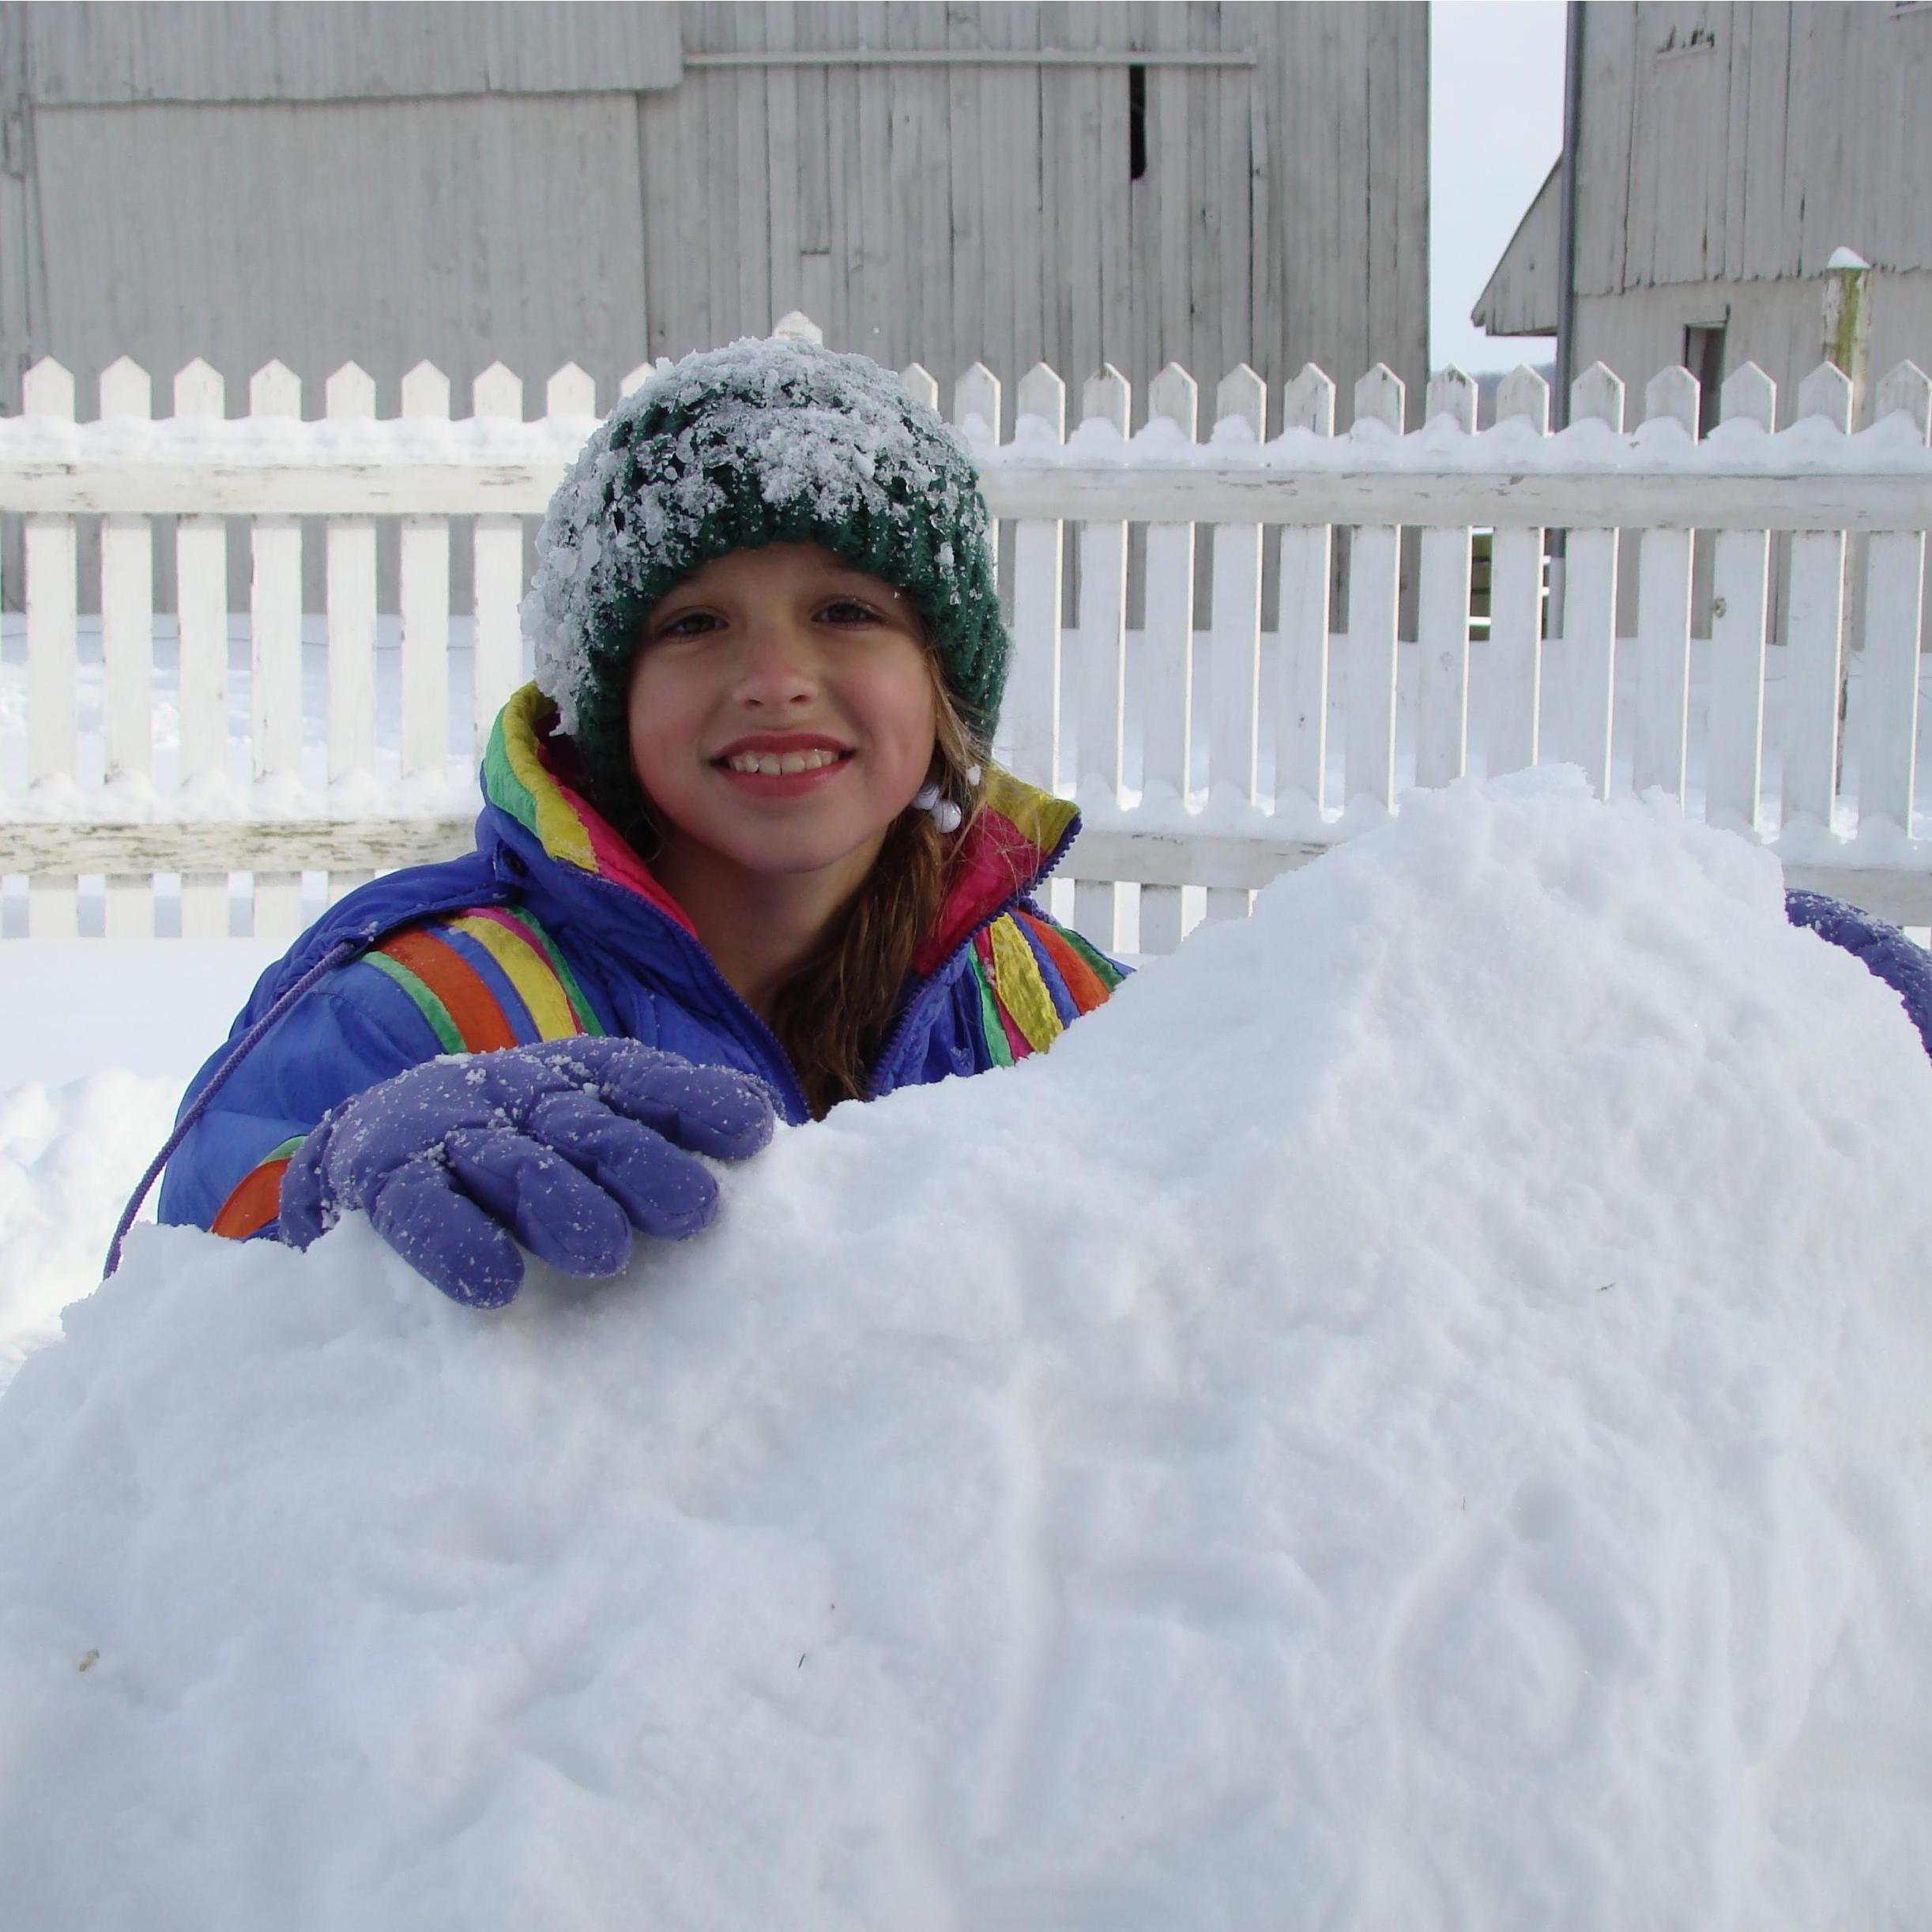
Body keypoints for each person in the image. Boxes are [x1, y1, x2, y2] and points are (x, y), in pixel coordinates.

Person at [149, 339, 1125, 1306]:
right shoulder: (409, 1010)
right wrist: (320, 1200)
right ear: (612, 703)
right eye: (696, 624)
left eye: (845, 611)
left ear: (941, 679)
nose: (776, 681)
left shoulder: (1065, 1008)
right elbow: (174, 1330)